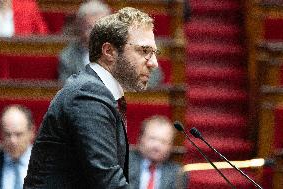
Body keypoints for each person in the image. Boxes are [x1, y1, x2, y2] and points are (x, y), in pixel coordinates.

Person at [24, 7, 158, 188]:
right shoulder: (87, 94)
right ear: (109, 51)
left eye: (154, 53)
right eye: (144, 51)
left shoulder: (95, 89)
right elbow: (108, 181)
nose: (154, 63)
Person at [58, 0, 111, 83]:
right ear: (80, 28)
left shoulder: (120, 54)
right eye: (89, 28)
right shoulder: (68, 57)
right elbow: (67, 90)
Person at [129, 115, 188, 189]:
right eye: (152, 139)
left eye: (163, 141)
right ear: (141, 139)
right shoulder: (123, 163)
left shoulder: (178, 174)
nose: (156, 146)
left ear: (171, 146)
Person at [0, 105, 35, 189]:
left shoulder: (47, 164)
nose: (13, 141)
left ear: (31, 132)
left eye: (18, 134)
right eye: (7, 134)